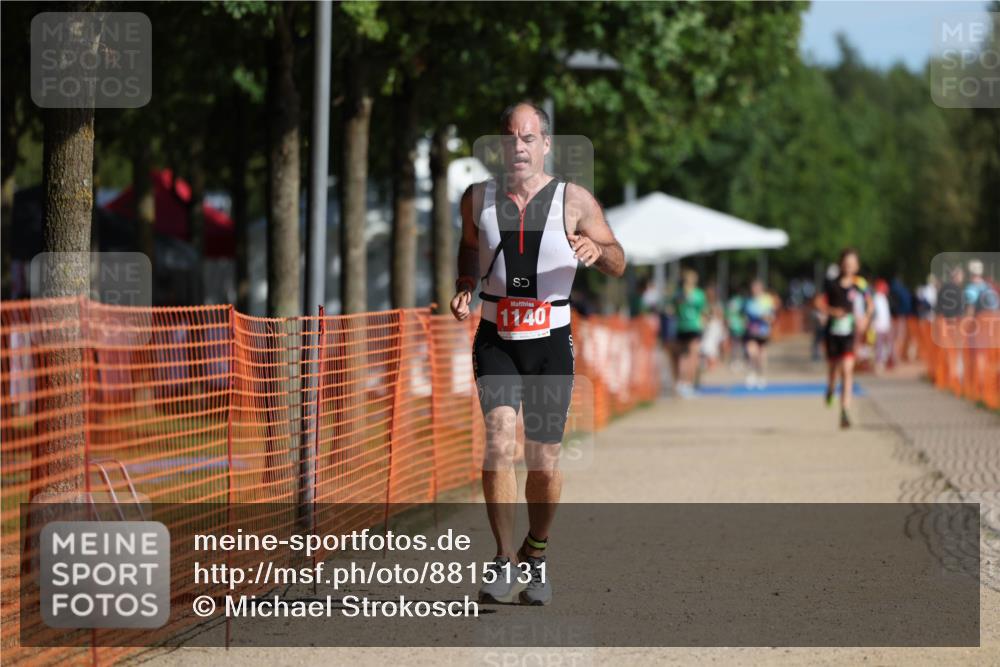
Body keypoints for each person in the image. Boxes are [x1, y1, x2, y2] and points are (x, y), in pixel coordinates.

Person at [450, 102, 625, 606]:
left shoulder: (574, 201)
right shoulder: (476, 198)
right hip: (497, 336)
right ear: (501, 145)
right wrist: (465, 282)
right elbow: (468, 246)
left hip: (551, 339)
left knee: (544, 459)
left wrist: (598, 253)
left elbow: (618, 258)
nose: (519, 147)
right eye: (511, 138)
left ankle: (537, 552)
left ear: (545, 144)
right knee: (500, 439)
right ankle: (504, 560)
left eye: (529, 138)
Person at [818, 248, 873, 429]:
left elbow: (869, 305)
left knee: (848, 371)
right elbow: (819, 303)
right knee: (834, 370)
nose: (849, 267)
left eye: (852, 264)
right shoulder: (831, 284)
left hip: (850, 333)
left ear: (857, 266)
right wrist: (833, 312)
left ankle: (845, 411)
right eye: (846, 263)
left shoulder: (860, 284)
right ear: (841, 264)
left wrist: (865, 319)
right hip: (833, 333)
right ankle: (831, 389)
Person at [669, 269, 707, 398]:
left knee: (683, 358)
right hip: (694, 327)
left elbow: (673, 309)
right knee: (693, 358)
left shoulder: (678, 294)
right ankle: (688, 384)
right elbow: (703, 312)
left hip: (681, 327)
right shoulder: (699, 294)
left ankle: (681, 383)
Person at [742, 279, 776, 388]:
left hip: (763, 332)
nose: (754, 290)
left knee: (761, 355)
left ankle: (761, 375)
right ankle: (752, 374)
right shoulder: (748, 301)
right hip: (751, 331)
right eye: (753, 288)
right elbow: (747, 315)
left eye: (757, 288)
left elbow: (771, 316)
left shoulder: (767, 300)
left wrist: (767, 318)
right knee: (752, 353)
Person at [872, 279, 893, 374]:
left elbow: (885, 313)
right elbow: (876, 313)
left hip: (884, 325)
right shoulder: (876, 298)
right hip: (879, 325)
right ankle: (878, 363)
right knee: (878, 345)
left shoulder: (882, 297)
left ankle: (884, 361)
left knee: (884, 345)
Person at [725, 288, 747, 369]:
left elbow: (728, 314)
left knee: (735, 345)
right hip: (738, 326)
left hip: (735, 326)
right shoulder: (742, 301)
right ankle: (738, 361)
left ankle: (736, 361)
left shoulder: (732, 301)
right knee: (739, 345)